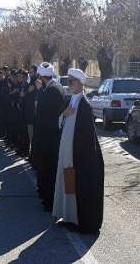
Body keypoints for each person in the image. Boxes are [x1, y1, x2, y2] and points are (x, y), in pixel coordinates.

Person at [53, 68, 104, 234]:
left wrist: (78, 158)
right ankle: (67, 217)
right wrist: (64, 115)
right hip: (66, 153)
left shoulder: (84, 105)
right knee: (67, 185)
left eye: (71, 81)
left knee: (74, 188)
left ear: (80, 84)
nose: (69, 85)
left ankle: (76, 220)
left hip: (77, 157)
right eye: (68, 81)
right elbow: (59, 122)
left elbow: (87, 138)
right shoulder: (70, 100)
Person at [33, 62, 67, 212]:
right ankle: (46, 196)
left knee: (49, 170)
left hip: (49, 138)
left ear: (41, 76)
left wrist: (40, 91)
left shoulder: (52, 90)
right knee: (46, 169)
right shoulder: (52, 87)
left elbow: (45, 113)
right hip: (47, 137)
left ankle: (50, 200)